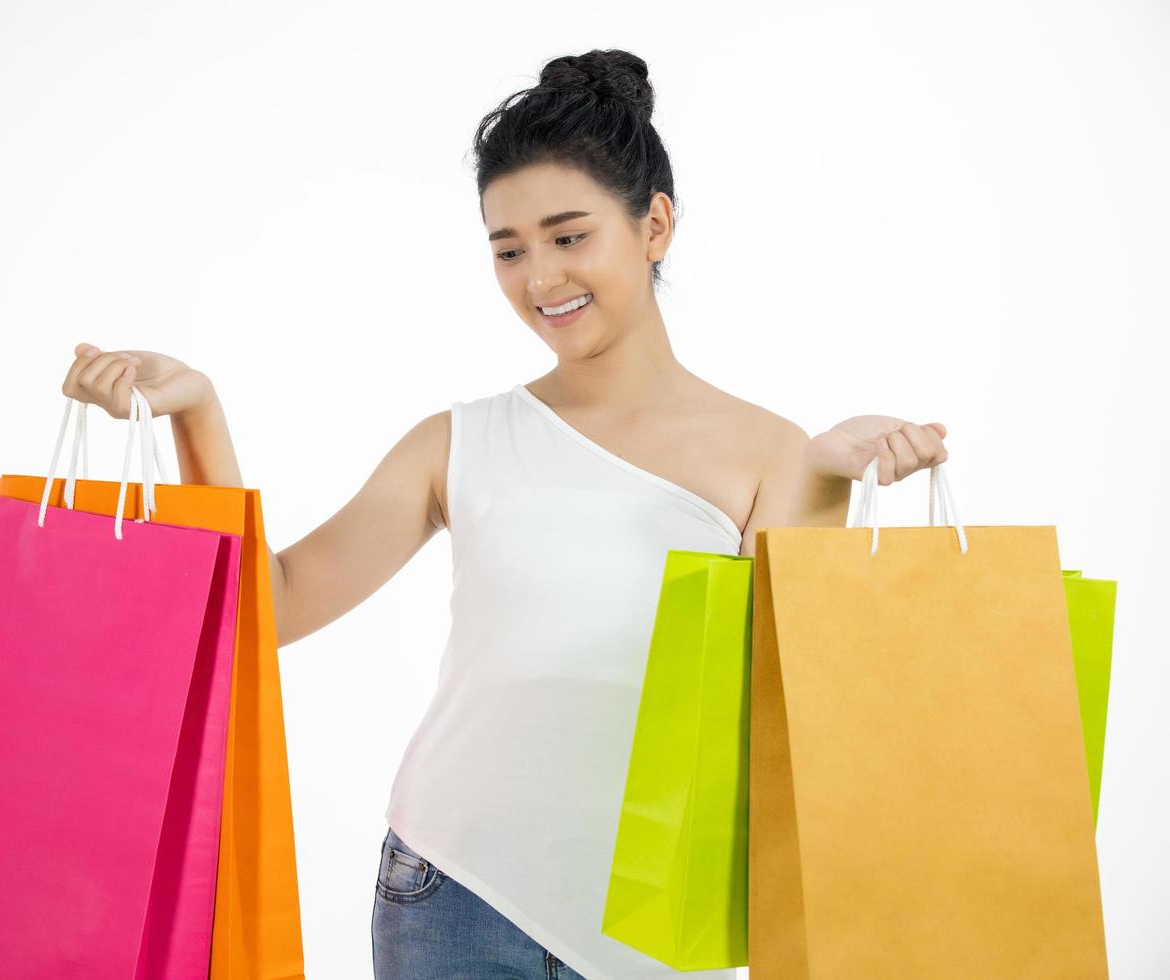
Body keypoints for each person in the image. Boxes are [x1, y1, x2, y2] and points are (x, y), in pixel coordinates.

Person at [59, 47, 948, 980]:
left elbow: (787, 698)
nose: (539, 278)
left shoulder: (773, 452)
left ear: (654, 225)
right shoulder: (459, 442)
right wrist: (200, 411)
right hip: (453, 892)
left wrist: (834, 481)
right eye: (508, 248)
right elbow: (267, 607)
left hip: (657, 921)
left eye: (569, 237)